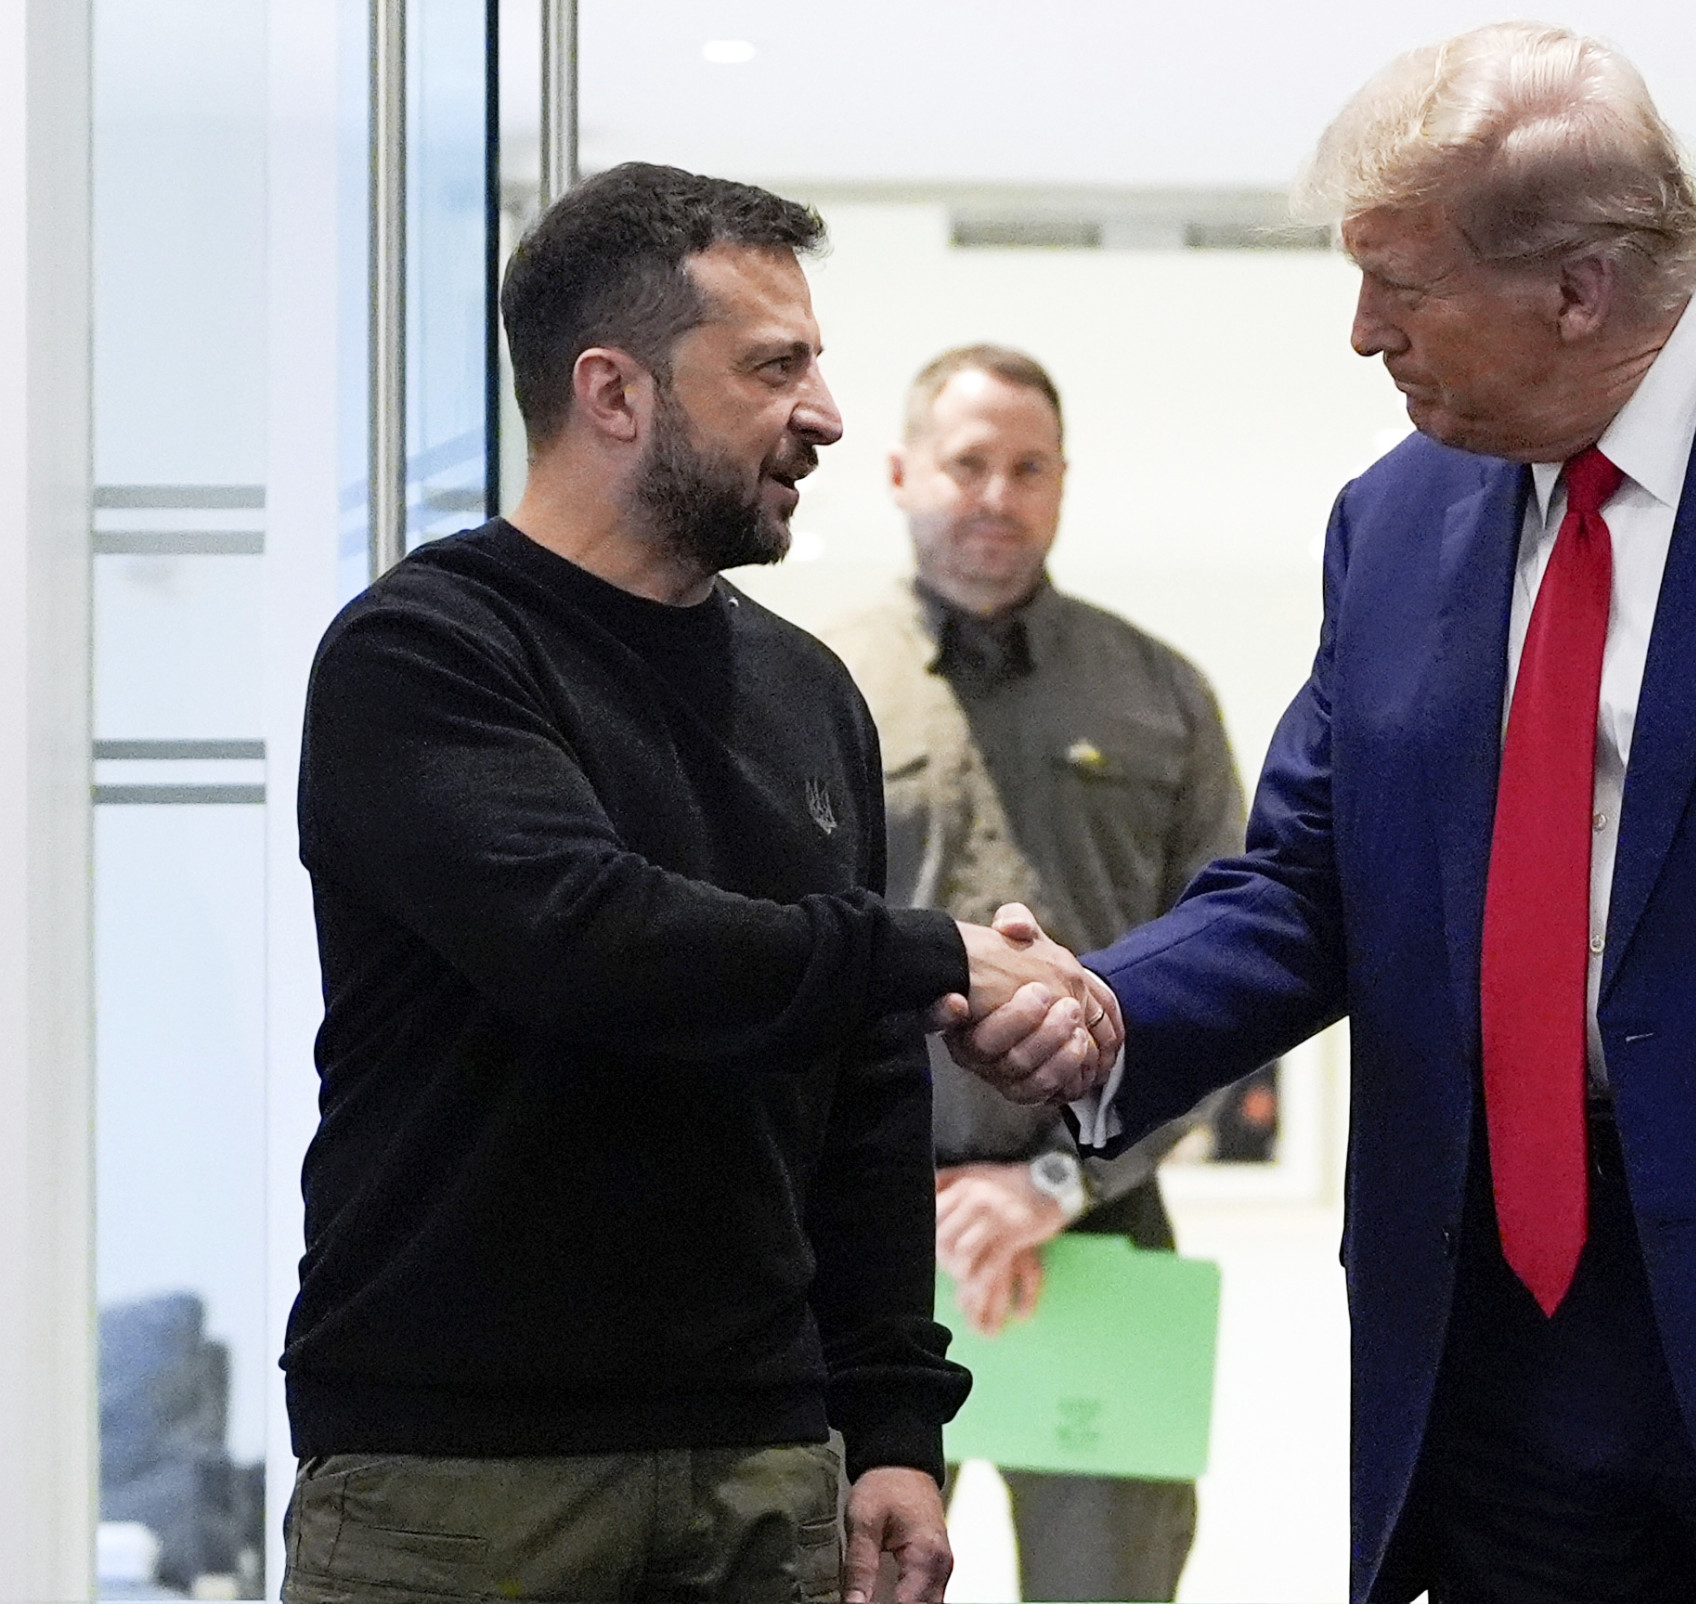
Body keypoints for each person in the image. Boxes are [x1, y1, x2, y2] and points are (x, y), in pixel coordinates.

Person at [954, 24, 1696, 1603]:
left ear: (1578, 288)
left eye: (1402, 282)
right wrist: (1112, 1012)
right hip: (1494, 1350)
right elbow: (1313, 881)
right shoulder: (1394, 521)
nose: (1361, 333)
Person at [280, 163, 1114, 1604]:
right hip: (459, 1484)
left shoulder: (810, 694)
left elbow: (861, 1101)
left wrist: (894, 1427)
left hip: (765, 1469)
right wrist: (936, 956)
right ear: (614, 392)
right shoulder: (425, 654)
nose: (828, 416)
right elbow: (589, 942)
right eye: (774, 367)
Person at [822, 344, 1252, 1601]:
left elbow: (1229, 975)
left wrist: (1057, 1182)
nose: (994, 494)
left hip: (1102, 1240)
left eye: (1027, 467)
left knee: (1107, 1586)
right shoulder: (814, 684)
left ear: (1063, 484)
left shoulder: (1161, 695)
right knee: (859, 1573)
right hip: (868, 1259)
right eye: (966, 463)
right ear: (902, 472)